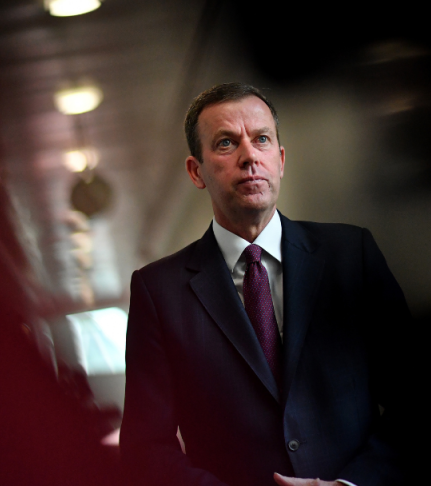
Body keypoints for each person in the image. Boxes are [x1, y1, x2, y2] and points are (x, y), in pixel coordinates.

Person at [120, 83, 411, 486]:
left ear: (281, 159)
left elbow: (416, 399)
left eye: (261, 139)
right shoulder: (158, 291)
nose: (249, 156)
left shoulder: (351, 255)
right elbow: (145, 447)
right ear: (196, 171)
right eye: (226, 143)